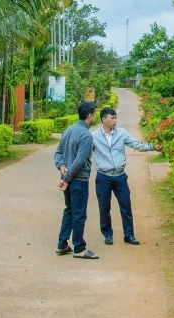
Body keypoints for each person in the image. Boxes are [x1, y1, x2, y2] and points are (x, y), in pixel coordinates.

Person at [91, 106, 155, 246]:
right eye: (112, 118)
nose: (114, 121)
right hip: (103, 176)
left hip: (119, 176)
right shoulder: (94, 136)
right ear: (103, 119)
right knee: (104, 207)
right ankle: (108, 235)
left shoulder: (121, 133)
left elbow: (137, 145)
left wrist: (154, 146)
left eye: (115, 118)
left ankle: (129, 235)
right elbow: (83, 153)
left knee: (126, 205)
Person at [54, 102, 99, 259]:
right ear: (89, 116)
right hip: (78, 179)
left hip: (67, 177)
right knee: (79, 213)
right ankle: (79, 247)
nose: (95, 116)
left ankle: (62, 244)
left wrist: (61, 167)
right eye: (94, 113)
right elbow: (79, 161)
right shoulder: (86, 135)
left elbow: (58, 153)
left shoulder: (68, 130)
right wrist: (67, 177)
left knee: (70, 210)